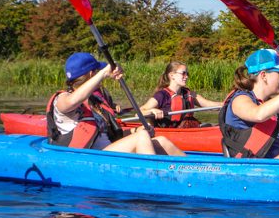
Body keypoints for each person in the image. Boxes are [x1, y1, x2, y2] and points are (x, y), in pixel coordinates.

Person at [46, 52, 185, 156]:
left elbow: (109, 136)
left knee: (161, 140)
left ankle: (196, 170)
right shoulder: (63, 98)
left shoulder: (95, 100)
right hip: (84, 158)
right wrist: (103, 73)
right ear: (91, 74)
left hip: (107, 152)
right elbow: (71, 102)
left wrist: (135, 130)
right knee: (141, 138)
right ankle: (154, 181)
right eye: (98, 72)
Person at [139, 61, 222, 128]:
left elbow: (209, 105)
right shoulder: (162, 95)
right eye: (183, 73)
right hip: (171, 133)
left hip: (188, 129)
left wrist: (225, 104)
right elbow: (139, 112)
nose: (186, 77)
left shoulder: (189, 93)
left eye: (187, 74)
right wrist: (152, 110)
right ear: (172, 75)